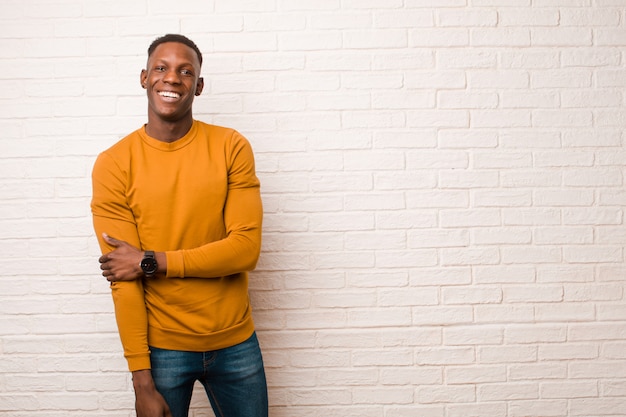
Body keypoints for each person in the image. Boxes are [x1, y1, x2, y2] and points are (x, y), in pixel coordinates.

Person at [91, 34, 268, 417]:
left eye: (185, 71)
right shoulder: (114, 163)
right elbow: (123, 276)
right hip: (163, 349)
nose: (172, 78)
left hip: (236, 342)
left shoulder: (231, 147)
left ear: (198, 86)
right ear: (144, 77)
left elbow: (245, 250)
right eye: (161, 67)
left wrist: (150, 261)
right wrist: (141, 381)